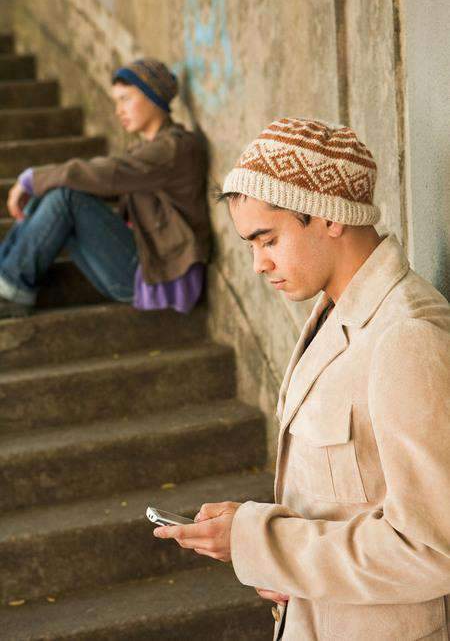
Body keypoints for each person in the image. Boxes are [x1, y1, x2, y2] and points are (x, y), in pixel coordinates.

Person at [154, 118, 450, 640]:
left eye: (267, 239)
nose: (257, 264)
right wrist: (272, 548)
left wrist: (262, 542)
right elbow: (352, 501)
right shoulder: (333, 315)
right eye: (250, 245)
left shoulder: (405, 336)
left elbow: (431, 550)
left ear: (330, 215)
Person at [0, 58, 210, 318]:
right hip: (137, 265)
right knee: (55, 190)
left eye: (125, 99)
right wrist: (40, 183)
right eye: (116, 102)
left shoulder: (175, 148)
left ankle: (10, 289)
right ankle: (6, 279)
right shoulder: (147, 150)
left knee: (65, 195)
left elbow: (108, 173)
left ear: (153, 96)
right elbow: (103, 180)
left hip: (156, 275)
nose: (118, 111)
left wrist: (31, 178)